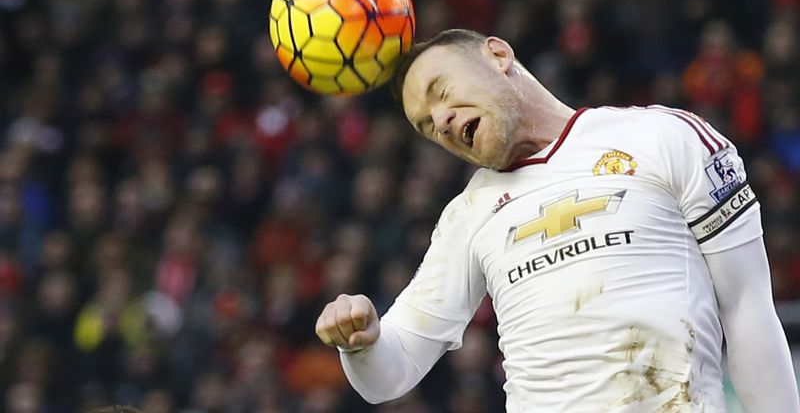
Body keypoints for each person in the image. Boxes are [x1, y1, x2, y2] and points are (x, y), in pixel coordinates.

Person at [314, 29, 800, 412]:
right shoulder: (468, 215)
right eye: (425, 125)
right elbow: (391, 374)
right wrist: (361, 344)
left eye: (442, 92)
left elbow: (748, 310)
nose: (440, 121)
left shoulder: (663, 137)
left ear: (498, 55)